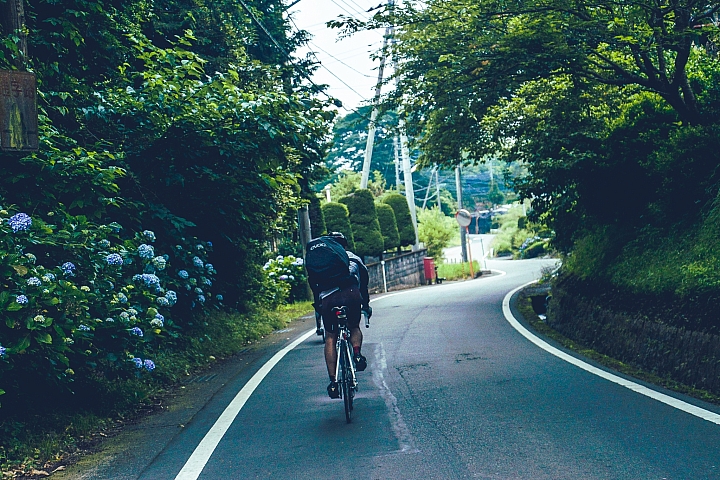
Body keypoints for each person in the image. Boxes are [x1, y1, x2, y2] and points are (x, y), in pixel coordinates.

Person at [309, 232, 372, 399]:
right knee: (353, 327)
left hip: (328, 299)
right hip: (351, 295)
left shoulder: (319, 261)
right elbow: (364, 287)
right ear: (344, 245)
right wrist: (365, 305)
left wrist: (319, 306)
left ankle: (333, 382)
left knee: (330, 337)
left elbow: (314, 286)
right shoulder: (354, 259)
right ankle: (357, 354)